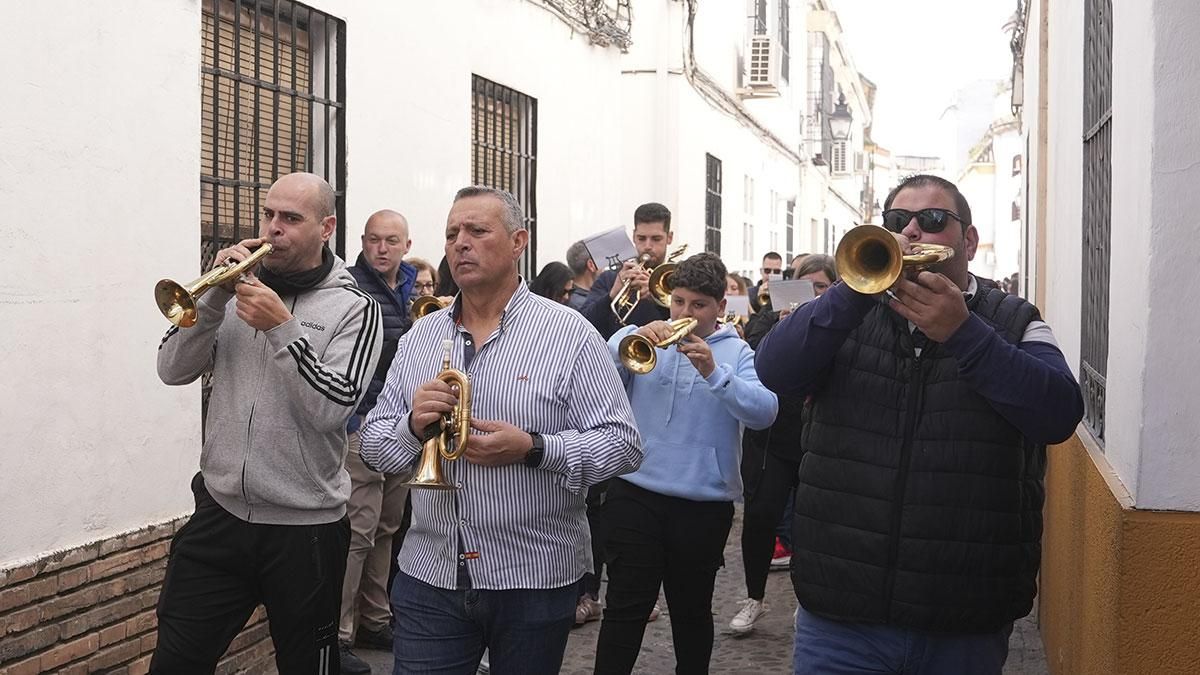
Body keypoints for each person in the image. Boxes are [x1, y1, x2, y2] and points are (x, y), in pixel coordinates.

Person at [755, 174, 1084, 675]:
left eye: (932, 221)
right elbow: (774, 370)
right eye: (894, 222)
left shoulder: (1015, 320)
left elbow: (1058, 413)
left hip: (963, 617)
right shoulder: (846, 313)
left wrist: (965, 333)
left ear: (967, 242)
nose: (910, 232)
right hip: (842, 612)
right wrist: (854, 290)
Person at [358, 186, 643, 675]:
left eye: (476, 230)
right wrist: (411, 426)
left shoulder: (570, 334)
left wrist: (535, 448)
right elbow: (373, 445)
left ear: (518, 242)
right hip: (431, 571)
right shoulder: (421, 336)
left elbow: (623, 445)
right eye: (451, 233)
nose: (460, 243)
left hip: (532, 575)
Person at [153, 172, 383, 674]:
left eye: (291, 219)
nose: (273, 228)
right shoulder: (233, 293)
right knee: (174, 662)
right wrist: (213, 298)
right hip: (220, 516)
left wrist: (282, 327)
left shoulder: (356, 307)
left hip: (306, 531)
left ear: (326, 227)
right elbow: (172, 370)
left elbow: (334, 409)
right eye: (268, 214)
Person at [593, 252, 778, 675]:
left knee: (691, 612)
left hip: (702, 503)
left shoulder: (737, 352)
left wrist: (716, 374)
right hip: (635, 492)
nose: (685, 313)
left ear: (719, 308)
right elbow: (596, 381)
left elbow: (765, 412)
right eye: (678, 302)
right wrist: (627, 339)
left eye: (698, 305)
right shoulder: (646, 339)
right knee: (625, 607)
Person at [730, 254, 837, 636]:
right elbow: (754, 356)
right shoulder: (765, 319)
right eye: (805, 287)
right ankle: (754, 597)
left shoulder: (840, 322)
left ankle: (807, 603)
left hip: (818, 440)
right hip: (773, 439)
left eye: (821, 288)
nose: (813, 295)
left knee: (813, 527)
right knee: (760, 518)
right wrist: (783, 331)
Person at [338, 210, 418, 673]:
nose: (381, 248)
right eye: (373, 240)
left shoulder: (407, 286)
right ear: (363, 243)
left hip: (400, 424)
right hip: (361, 426)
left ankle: (375, 618)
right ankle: (339, 634)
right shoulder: (352, 286)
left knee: (387, 529)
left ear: (406, 245)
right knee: (358, 532)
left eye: (391, 241)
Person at [580, 203, 675, 339]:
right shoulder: (609, 279)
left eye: (656, 239)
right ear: (634, 236)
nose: (647, 246)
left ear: (669, 238)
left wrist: (658, 298)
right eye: (641, 238)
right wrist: (612, 295)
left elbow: (689, 323)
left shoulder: (678, 279)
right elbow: (582, 324)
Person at [566, 240, 599, 310]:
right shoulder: (580, 304)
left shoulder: (571, 297)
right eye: (601, 261)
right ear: (591, 265)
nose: (604, 267)